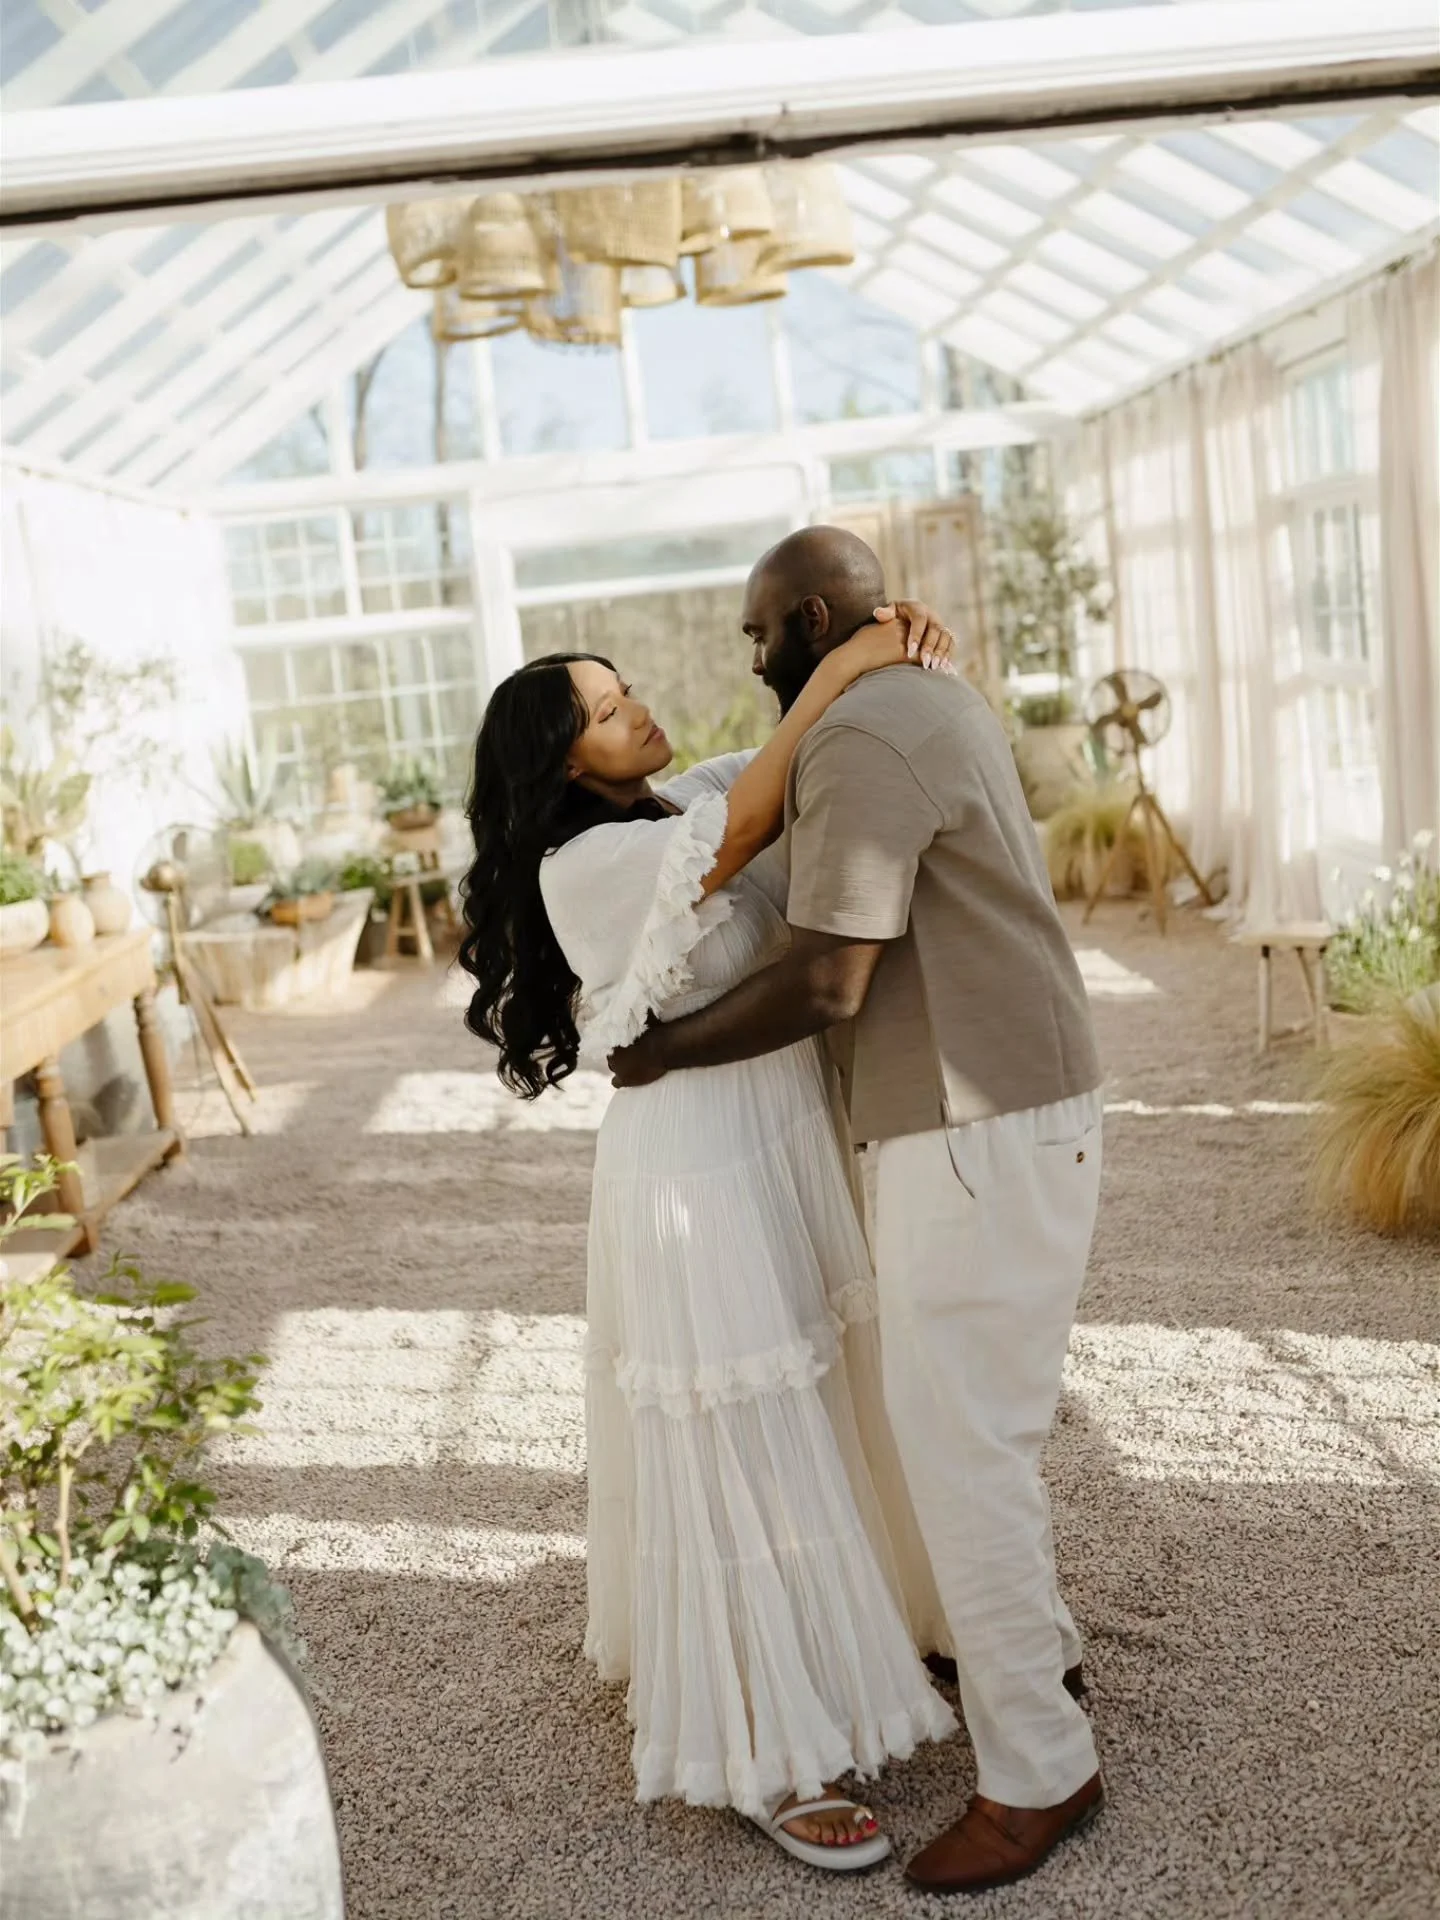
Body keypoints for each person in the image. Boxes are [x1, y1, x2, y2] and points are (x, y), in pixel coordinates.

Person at [610, 526, 1107, 1897]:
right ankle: (1039, 1654)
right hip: (1012, 1109)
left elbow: (830, 977)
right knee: (981, 1424)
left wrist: (662, 1050)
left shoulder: (860, 741)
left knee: (962, 1451)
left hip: (970, 1123)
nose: (750, 658)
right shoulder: (925, 691)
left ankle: (1038, 1774)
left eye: (761, 635)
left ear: (813, 618)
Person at [459, 608, 962, 1874]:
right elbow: (744, 827)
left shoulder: (668, 804)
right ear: (564, 764)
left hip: (778, 1136)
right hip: (694, 1172)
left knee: (826, 1401)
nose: (639, 710)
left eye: (628, 690)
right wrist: (846, 660)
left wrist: (894, 653)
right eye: (607, 711)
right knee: (742, 1439)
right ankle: (762, 1744)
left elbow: (780, 769)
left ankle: (864, 1634)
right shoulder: (589, 868)